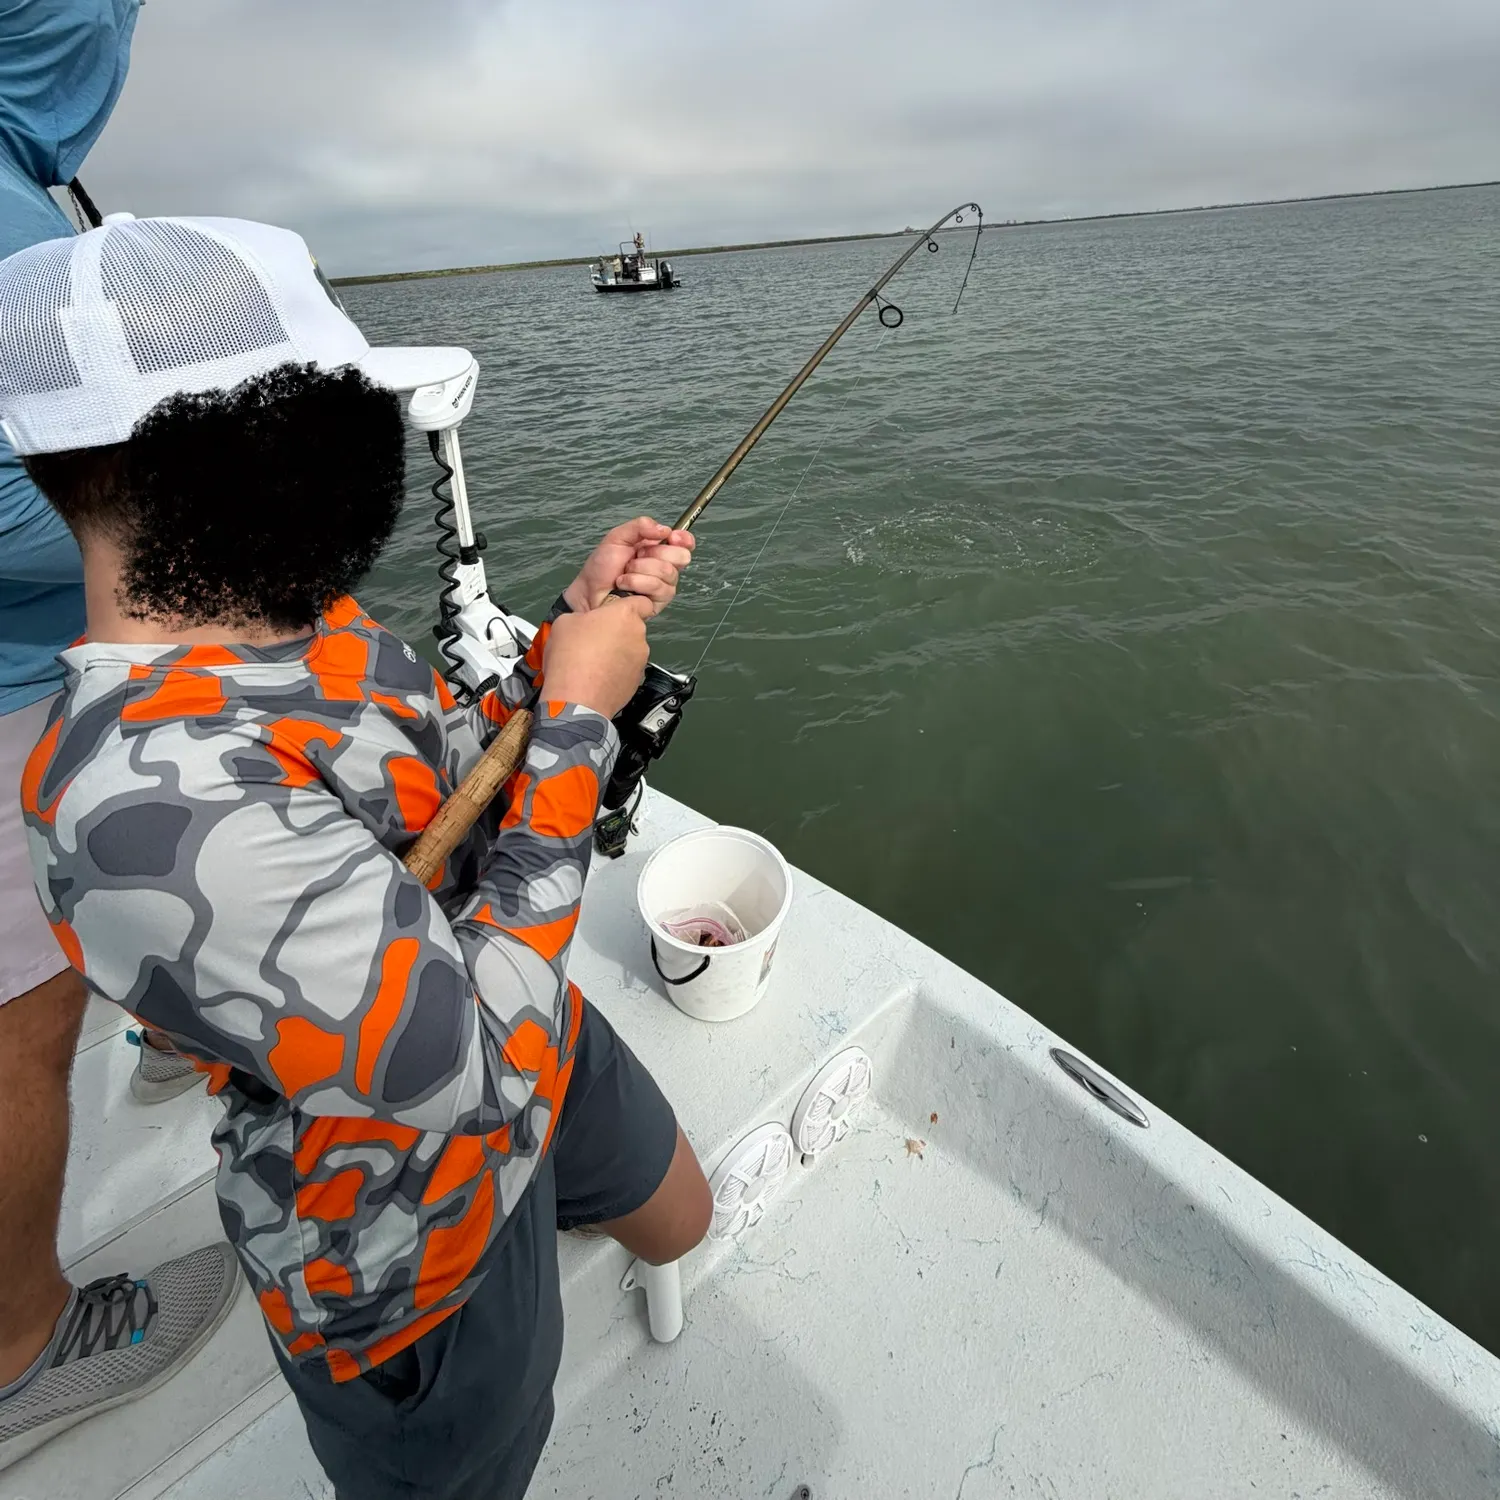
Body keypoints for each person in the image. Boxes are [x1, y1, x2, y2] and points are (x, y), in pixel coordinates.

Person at [0, 213, 712, 1500]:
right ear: (239, 453)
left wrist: (561, 642)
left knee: (683, 1215)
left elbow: (435, 779)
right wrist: (578, 730)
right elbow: (457, 1077)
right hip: (404, 1248)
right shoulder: (135, 815)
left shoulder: (295, 619)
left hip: (528, 1005)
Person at [0, 1, 240, 1472]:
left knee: (107, 889)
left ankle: (164, 1023)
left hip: (50, 672)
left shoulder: (22, 181)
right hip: (13, 683)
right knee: (19, 1030)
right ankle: (22, 1343)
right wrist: (192, 527)